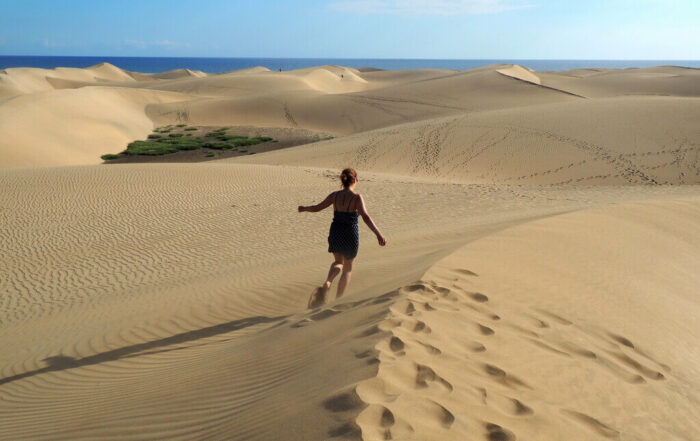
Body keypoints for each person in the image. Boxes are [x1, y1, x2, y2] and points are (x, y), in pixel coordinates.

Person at [298, 168, 386, 307]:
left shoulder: (335, 195)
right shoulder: (357, 197)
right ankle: (338, 300)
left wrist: (304, 208)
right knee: (348, 269)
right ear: (355, 180)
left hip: (336, 232)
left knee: (338, 262)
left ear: (342, 180)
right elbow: (366, 217)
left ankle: (328, 281)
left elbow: (317, 207)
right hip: (350, 234)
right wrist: (378, 233)